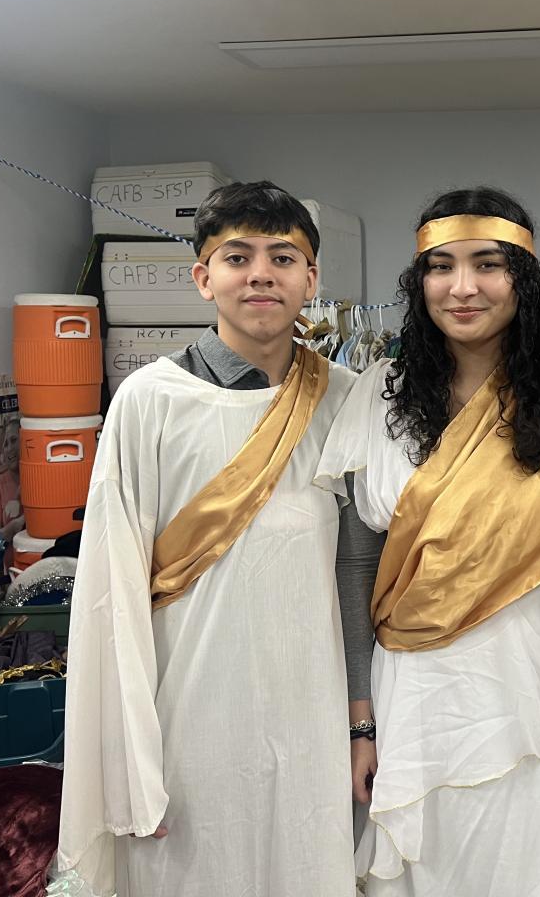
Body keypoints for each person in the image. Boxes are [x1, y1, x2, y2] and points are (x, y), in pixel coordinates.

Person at [316, 187, 540, 896]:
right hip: (411, 705)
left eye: (488, 264)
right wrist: (361, 724)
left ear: (523, 280)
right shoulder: (379, 397)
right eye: (441, 266)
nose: (462, 287)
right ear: (419, 281)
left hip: (533, 706)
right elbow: (357, 565)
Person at [50, 181, 356, 896]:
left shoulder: (344, 398)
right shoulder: (149, 401)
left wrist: (361, 728)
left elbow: (361, 570)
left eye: (283, 257)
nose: (261, 274)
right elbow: (110, 591)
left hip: (311, 714)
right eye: (237, 257)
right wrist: (127, 762)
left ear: (312, 280)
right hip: (187, 716)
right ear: (203, 277)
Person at [0, 419, 23, 539]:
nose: (9, 448)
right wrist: (11, 528)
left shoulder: (41, 475)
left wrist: (23, 521)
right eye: (5, 445)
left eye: (14, 440)